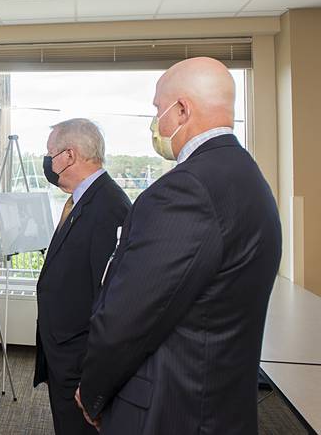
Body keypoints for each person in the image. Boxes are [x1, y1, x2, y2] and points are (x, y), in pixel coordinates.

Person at [76, 57, 281, 435]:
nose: (155, 122)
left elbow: (129, 318)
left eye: (157, 110)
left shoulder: (185, 190)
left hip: (170, 409)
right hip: (220, 402)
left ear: (182, 109)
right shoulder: (247, 177)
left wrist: (92, 392)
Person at [34, 119, 131, 435]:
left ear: (69, 155)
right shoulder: (83, 199)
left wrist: (93, 378)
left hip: (81, 362)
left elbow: (110, 303)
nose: (48, 161)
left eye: (51, 154)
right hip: (65, 354)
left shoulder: (109, 207)